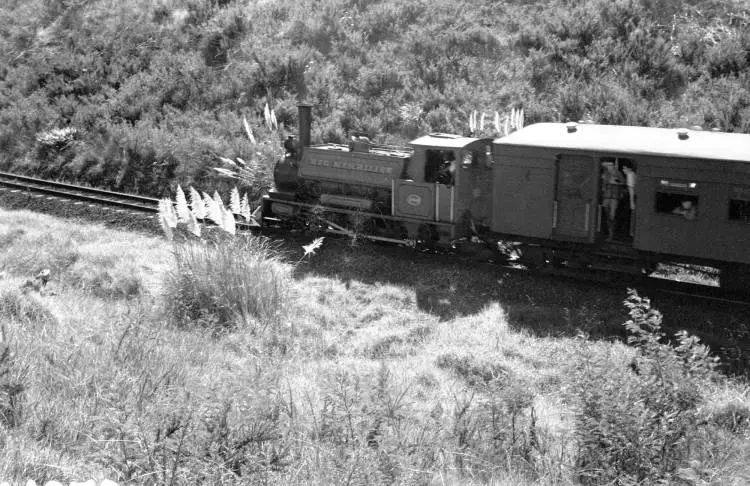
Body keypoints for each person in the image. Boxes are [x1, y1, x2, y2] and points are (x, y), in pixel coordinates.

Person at [601, 160, 625, 241]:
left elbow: (623, 182)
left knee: (612, 217)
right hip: (606, 196)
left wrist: (615, 182)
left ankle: (611, 235)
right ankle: (609, 233)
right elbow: (604, 184)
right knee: (607, 215)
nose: (609, 167)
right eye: (608, 166)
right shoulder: (606, 173)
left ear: (613, 165)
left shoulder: (618, 173)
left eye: (610, 165)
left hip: (614, 197)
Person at [622, 164, 637, 236]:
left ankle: (631, 233)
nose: (623, 170)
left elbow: (631, 190)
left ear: (630, 169)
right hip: (635, 196)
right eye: (623, 169)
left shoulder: (629, 175)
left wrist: (632, 202)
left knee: (631, 213)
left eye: (625, 168)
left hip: (633, 197)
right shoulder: (634, 174)